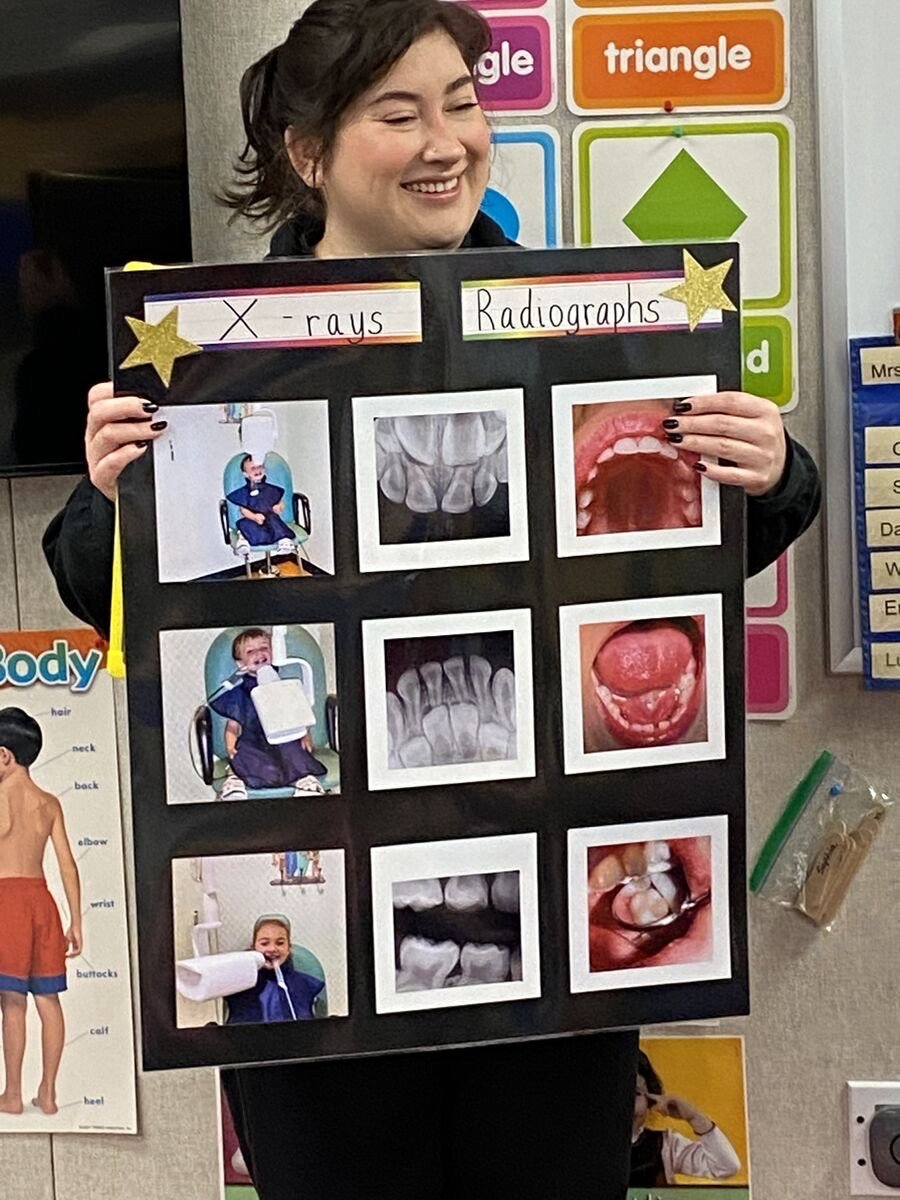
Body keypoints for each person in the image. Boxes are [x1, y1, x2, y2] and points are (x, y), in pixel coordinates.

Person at [40, 2, 821, 1196]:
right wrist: (112, 494)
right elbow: (117, 603)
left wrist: (773, 468)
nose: (446, 139)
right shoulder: (204, 358)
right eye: (398, 112)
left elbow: (690, 556)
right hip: (327, 916)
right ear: (309, 152)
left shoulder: (595, 324)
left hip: (550, 921)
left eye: (463, 102)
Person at [0, 708, 82, 1117]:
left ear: (4, 757)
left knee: (12, 1002)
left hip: (7, 903)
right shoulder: (48, 803)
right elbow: (68, 863)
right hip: (42, 901)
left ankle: (12, 1094)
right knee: (48, 999)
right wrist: (76, 920)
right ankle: (47, 1093)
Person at [211, 627, 327, 799]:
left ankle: (303, 781)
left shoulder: (285, 686)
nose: (259, 653)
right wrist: (230, 746)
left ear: (274, 652)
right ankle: (235, 779)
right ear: (240, 663)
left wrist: (305, 735)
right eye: (250, 651)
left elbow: (298, 715)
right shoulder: (239, 693)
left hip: (286, 737)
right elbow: (232, 725)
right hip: (254, 740)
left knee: (295, 754)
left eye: (264, 647)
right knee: (245, 757)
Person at [630, 1049, 741, 1187]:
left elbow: (726, 1167)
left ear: (650, 1099)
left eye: (635, 1093)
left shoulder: (667, 1145)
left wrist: (694, 1117)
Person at [225, 915, 325, 1025]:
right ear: (253, 948)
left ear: (289, 949)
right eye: (264, 943)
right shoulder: (238, 985)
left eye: (280, 943)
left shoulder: (306, 985)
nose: (272, 949)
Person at [227, 455, 296, 558]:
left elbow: (281, 502)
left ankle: (283, 541)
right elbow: (243, 510)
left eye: (260, 466)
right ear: (245, 474)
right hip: (253, 518)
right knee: (246, 525)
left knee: (276, 522)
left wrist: (279, 506)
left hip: (269, 517)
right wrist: (254, 517)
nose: (258, 470)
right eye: (253, 468)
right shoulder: (244, 492)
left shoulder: (271, 489)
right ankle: (243, 542)